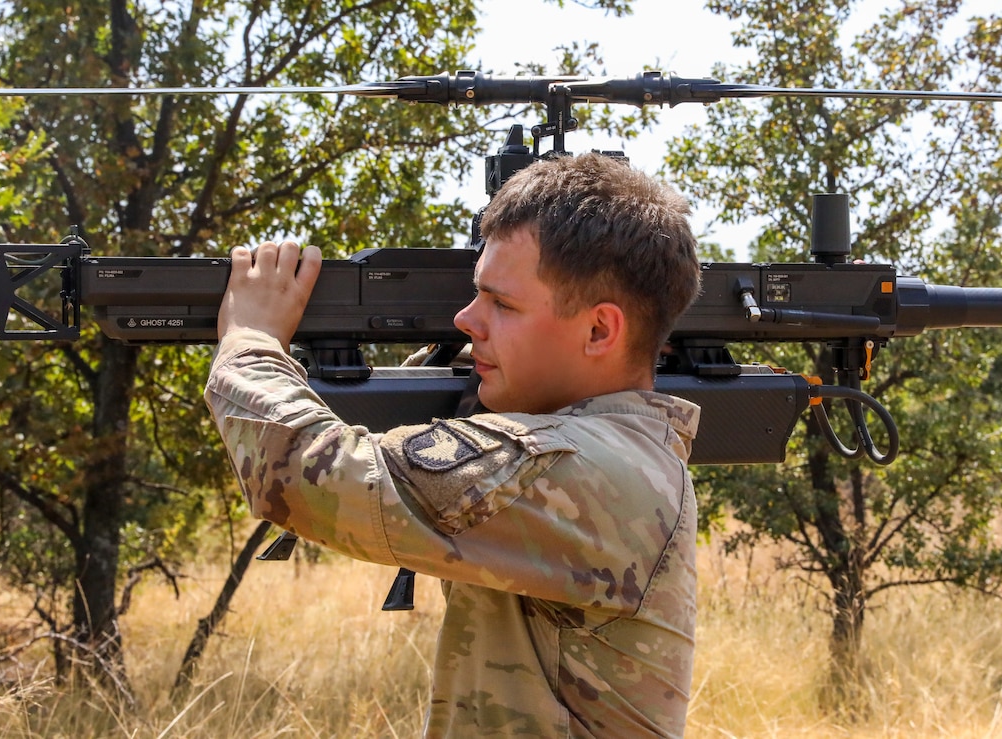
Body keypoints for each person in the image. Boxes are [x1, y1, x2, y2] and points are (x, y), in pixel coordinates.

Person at [205, 152, 703, 737]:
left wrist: (250, 341)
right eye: (476, 293)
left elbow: (309, 477)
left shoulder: (574, 467)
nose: (466, 319)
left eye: (503, 303)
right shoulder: (617, 450)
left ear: (599, 330)